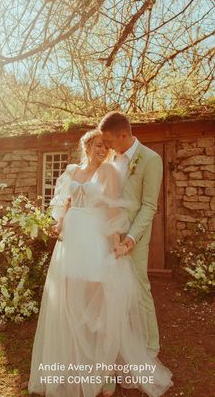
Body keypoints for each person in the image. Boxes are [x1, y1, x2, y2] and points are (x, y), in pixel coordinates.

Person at [28, 129, 173, 397]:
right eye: (97, 145)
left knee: (98, 310)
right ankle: (76, 365)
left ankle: (103, 372)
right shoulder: (71, 170)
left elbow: (113, 209)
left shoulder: (108, 173)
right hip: (71, 243)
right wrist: (57, 224)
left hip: (95, 241)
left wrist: (117, 241)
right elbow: (63, 203)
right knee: (72, 304)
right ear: (86, 145)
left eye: (104, 146)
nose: (102, 149)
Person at [99, 111, 163, 358]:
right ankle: (121, 341)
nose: (106, 146)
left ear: (123, 134)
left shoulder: (150, 159)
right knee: (112, 290)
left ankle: (151, 347)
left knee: (139, 289)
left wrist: (131, 238)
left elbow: (149, 205)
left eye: (109, 142)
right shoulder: (111, 160)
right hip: (110, 234)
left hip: (135, 238)